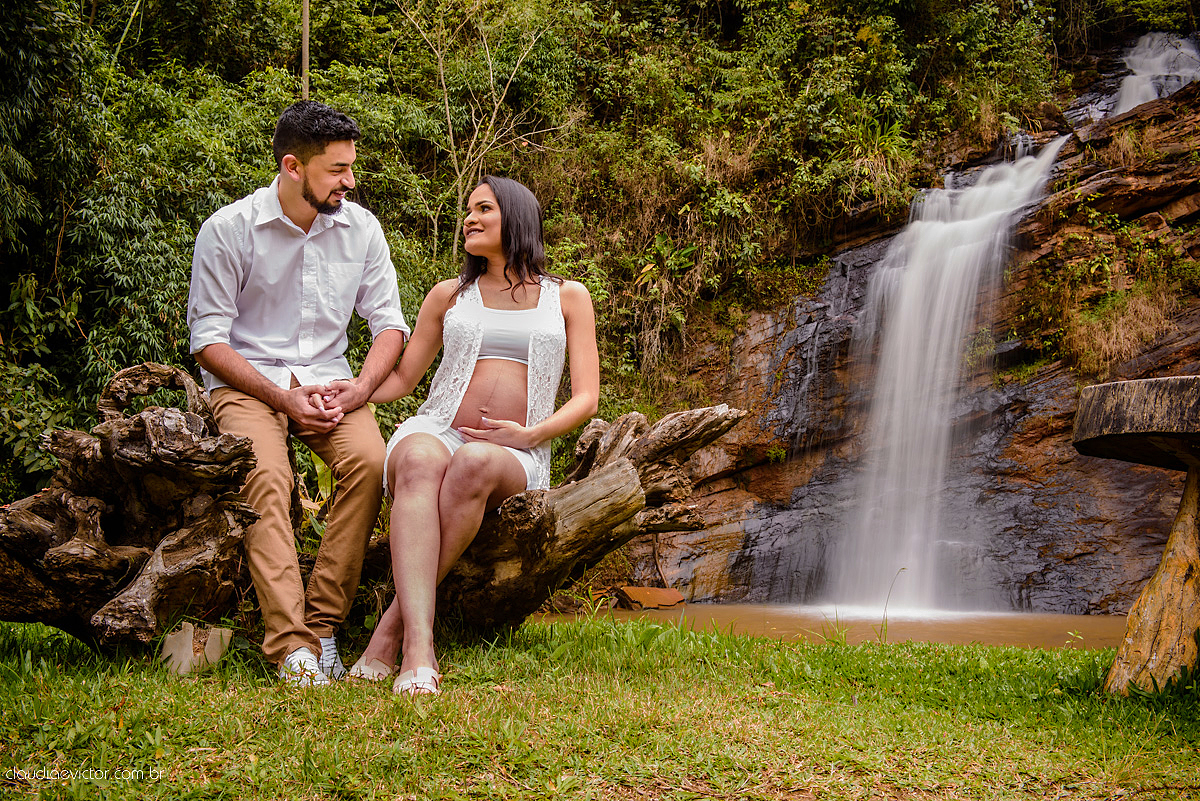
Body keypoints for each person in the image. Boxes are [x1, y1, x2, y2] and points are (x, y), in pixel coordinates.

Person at [331, 175, 599, 696]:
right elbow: (405, 379)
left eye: (483, 209)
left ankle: (389, 633)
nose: (469, 219)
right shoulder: (449, 294)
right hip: (439, 425)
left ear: (516, 218)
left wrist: (529, 434)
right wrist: (352, 391)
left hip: (517, 449)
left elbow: (587, 397)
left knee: (476, 460)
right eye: (467, 211)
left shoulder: (567, 296)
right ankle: (419, 648)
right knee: (417, 461)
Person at [187, 100, 410, 687]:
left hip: (331, 380)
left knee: (368, 461)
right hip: (249, 382)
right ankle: (290, 645)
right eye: (337, 170)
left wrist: (361, 388)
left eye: (351, 167)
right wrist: (282, 399)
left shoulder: (360, 228)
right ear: (293, 166)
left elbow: (389, 323)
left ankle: (325, 628)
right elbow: (208, 341)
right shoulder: (229, 229)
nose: (350, 182)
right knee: (266, 474)